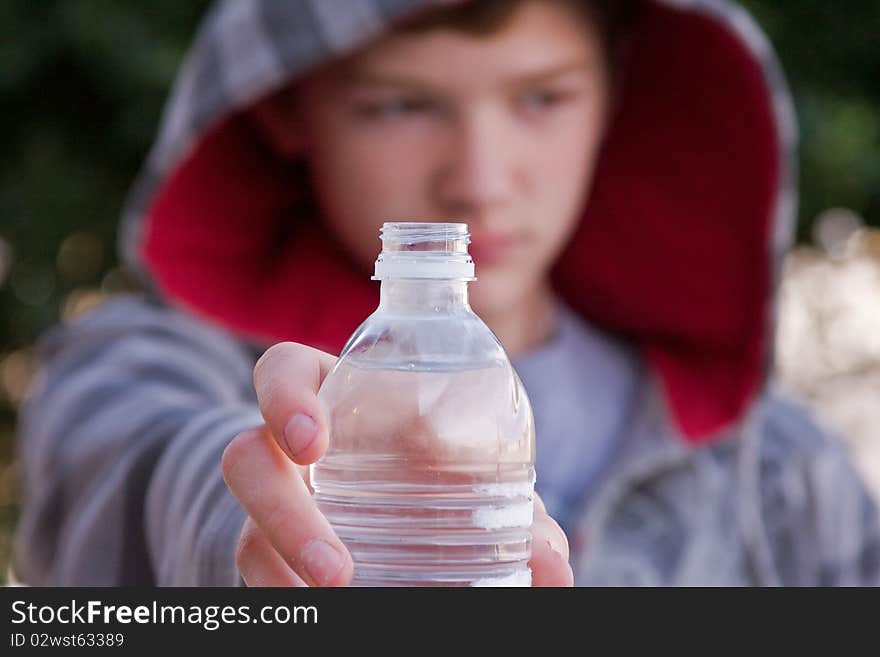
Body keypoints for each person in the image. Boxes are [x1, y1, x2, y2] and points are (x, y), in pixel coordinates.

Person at [13, 0, 880, 586]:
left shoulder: (780, 476)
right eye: (400, 106)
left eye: (541, 96)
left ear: (615, 93)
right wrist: (256, 513)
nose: (478, 180)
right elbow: (133, 462)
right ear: (284, 109)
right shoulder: (139, 364)